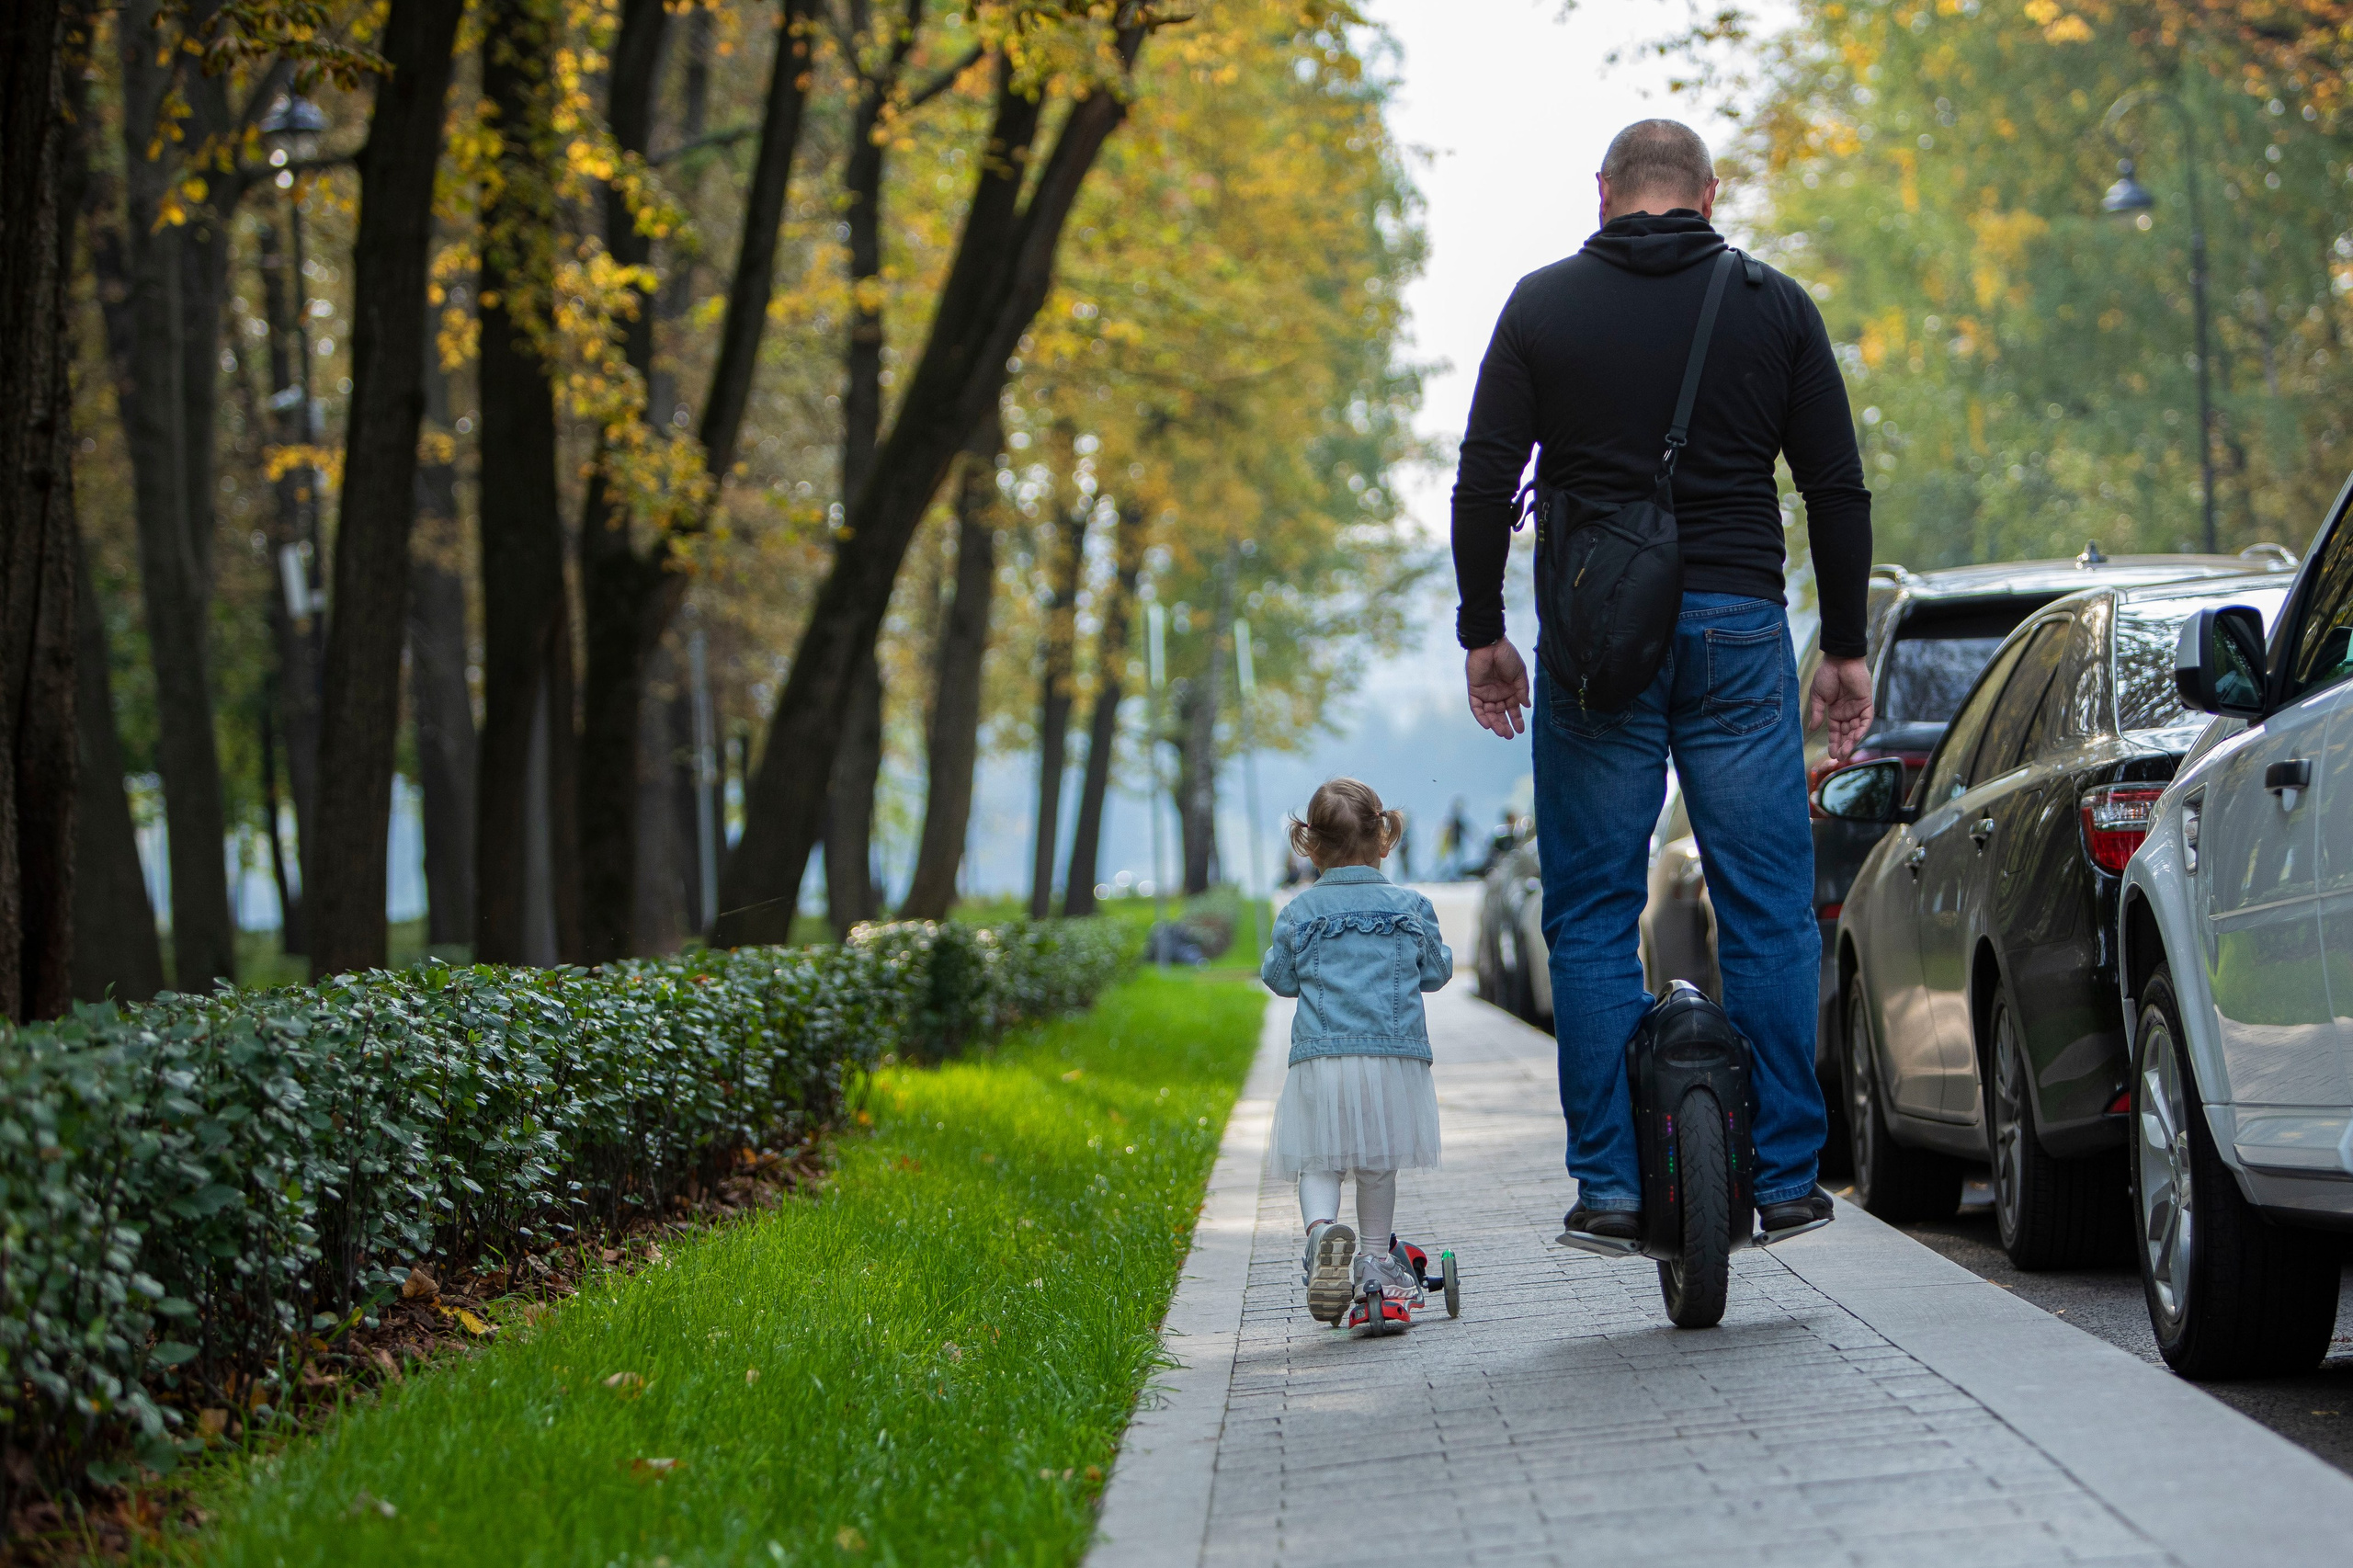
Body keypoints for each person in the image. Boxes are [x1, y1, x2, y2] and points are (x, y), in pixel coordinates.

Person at [1450, 119, 1875, 1244]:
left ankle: (1610, 1184)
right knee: (1767, 905)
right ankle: (1786, 1172)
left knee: (1590, 912)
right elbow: (1834, 485)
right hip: (1737, 625)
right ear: (1707, 192)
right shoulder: (1773, 305)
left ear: (1602, 194)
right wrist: (1842, 643)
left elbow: (1485, 473)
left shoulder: (1540, 306)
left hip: (1596, 640)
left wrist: (1483, 628)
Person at [1261, 778, 1450, 1327]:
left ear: (1309, 846)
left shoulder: (1300, 912)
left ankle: (1323, 1236)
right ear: (1384, 838)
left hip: (1322, 1060)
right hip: (1393, 1062)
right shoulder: (1410, 907)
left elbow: (1278, 979)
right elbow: (1436, 974)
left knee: (1319, 1159)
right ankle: (1372, 1259)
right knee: (1376, 1166)